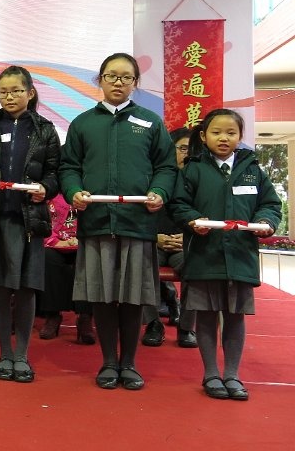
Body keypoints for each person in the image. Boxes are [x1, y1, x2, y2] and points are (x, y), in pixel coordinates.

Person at [60, 53, 176, 390]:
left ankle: (130, 364)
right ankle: (109, 362)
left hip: (136, 223)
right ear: (100, 79)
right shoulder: (83, 123)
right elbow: (69, 167)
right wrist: (74, 191)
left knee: (133, 296)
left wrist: (159, 191)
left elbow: (166, 167)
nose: (118, 82)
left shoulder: (151, 122)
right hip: (97, 222)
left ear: (135, 83)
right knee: (102, 295)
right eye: (111, 75)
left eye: (126, 77)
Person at [169, 109, 281, 401]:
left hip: (240, 255)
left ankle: (232, 374)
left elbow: (270, 204)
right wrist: (193, 220)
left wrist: (266, 222)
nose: (224, 138)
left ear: (240, 136)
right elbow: (178, 204)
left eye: (231, 133)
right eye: (216, 132)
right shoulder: (193, 169)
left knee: (235, 316)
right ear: (204, 136)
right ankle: (211, 374)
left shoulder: (252, 169)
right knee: (206, 316)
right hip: (204, 254)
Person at [0, 66, 61, 383]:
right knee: (0, 287)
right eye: (3, 92)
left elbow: (54, 173)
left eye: (16, 91)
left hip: (28, 220)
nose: (9, 97)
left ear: (30, 93)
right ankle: (4, 354)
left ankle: (21, 354)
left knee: (25, 289)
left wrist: (45, 188)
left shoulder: (45, 128)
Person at [142, 127, 194, 347]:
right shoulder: (153, 177)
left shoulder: (199, 179)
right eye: (182, 148)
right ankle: (153, 323)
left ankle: (187, 327)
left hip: (186, 243)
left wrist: (188, 237)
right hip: (155, 241)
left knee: (197, 265)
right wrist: (156, 237)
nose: (187, 154)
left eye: (192, 149)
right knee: (142, 263)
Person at [37, 193, 95, 344]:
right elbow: (42, 222)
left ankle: (85, 317)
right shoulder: (50, 194)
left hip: (85, 242)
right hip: (55, 243)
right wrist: (55, 241)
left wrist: (82, 240)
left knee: (87, 259)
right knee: (48, 257)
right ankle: (52, 316)